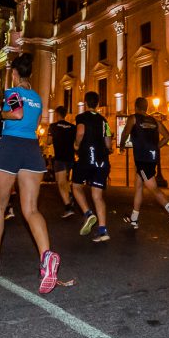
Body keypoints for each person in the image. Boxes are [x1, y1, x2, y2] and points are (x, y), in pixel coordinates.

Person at [0, 52, 61, 294]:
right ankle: (46, 257)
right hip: (32, 150)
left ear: (14, 73)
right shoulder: (37, 97)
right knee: (31, 209)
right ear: (30, 73)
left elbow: (16, 114)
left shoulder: (12, 93)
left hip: (11, 147)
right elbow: (29, 119)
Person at [118, 97, 169, 232]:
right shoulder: (155, 121)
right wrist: (155, 146)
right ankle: (134, 218)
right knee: (139, 187)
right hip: (152, 158)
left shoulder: (133, 118)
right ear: (146, 108)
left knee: (153, 188)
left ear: (136, 107)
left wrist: (122, 145)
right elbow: (168, 136)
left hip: (142, 159)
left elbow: (125, 133)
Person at [71, 91, 114, 243]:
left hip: (86, 158)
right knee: (97, 196)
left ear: (86, 103)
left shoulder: (81, 117)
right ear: (97, 103)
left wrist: (76, 145)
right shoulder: (104, 121)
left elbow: (81, 132)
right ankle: (103, 231)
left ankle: (88, 214)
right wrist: (108, 148)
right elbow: (108, 142)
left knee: (76, 186)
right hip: (102, 161)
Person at [48, 106, 79, 218]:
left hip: (60, 158)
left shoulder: (53, 127)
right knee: (65, 181)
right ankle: (69, 194)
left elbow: (48, 142)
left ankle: (68, 207)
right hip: (70, 158)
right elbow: (76, 143)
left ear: (56, 114)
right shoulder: (72, 127)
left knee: (61, 183)